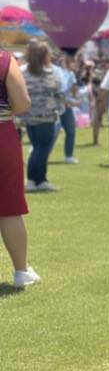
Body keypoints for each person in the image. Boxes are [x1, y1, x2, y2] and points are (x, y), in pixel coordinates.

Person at [0, 48, 40, 286]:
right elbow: (23, 103)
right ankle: (21, 272)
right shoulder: (4, 59)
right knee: (9, 206)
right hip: (1, 134)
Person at [21, 41, 63, 192]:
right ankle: (34, 179)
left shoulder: (23, 72)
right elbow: (57, 88)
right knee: (42, 148)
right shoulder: (49, 72)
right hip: (46, 116)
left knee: (37, 147)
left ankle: (40, 179)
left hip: (29, 115)